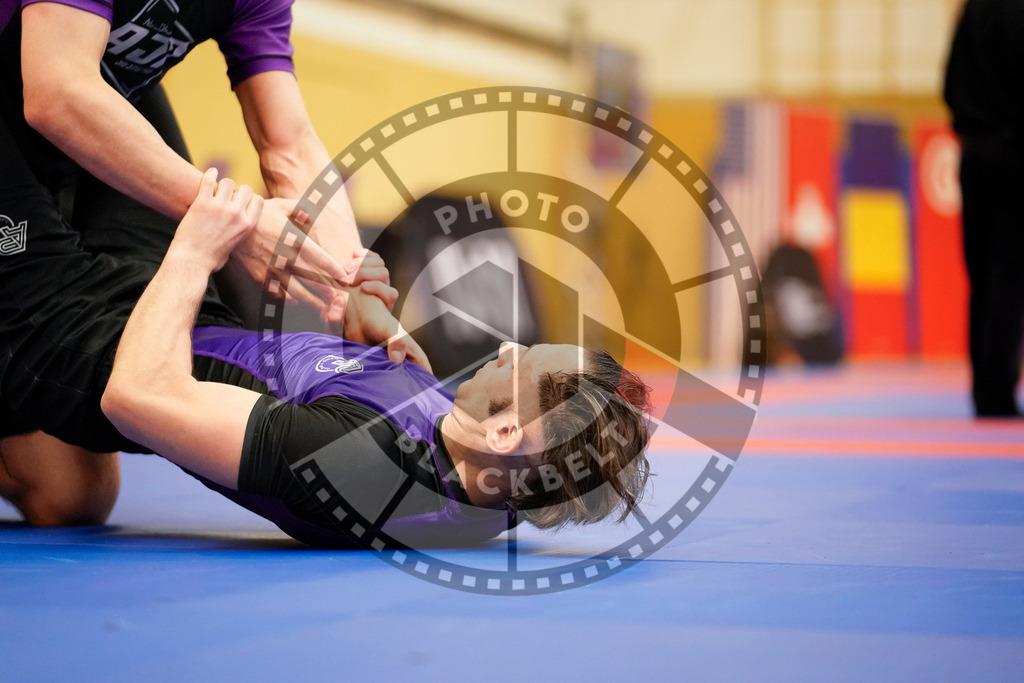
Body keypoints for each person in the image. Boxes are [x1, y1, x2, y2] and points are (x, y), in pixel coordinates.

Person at [0, 153, 653, 546]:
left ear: (507, 429)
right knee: (74, 499)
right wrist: (360, 321)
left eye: (524, 361)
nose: (508, 349)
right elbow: (569, 461)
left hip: (78, 336)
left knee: (56, 101)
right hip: (180, 310)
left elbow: (134, 395)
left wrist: (200, 247)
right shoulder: (500, 486)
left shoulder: (354, 462)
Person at [0, 0, 395, 518]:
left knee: (71, 495)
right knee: (54, 339)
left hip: (93, 104)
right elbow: (56, 92)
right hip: (57, 95)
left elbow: (289, 145)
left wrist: (348, 286)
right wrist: (237, 220)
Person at [944, 0, 1024, 418]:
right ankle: (997, 391)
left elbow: (949, 84)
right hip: (1014, 154)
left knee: (982, 271)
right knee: (1009, 274)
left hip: (973, 154)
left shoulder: (974, 10)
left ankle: (984, 387)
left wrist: (969, 126)